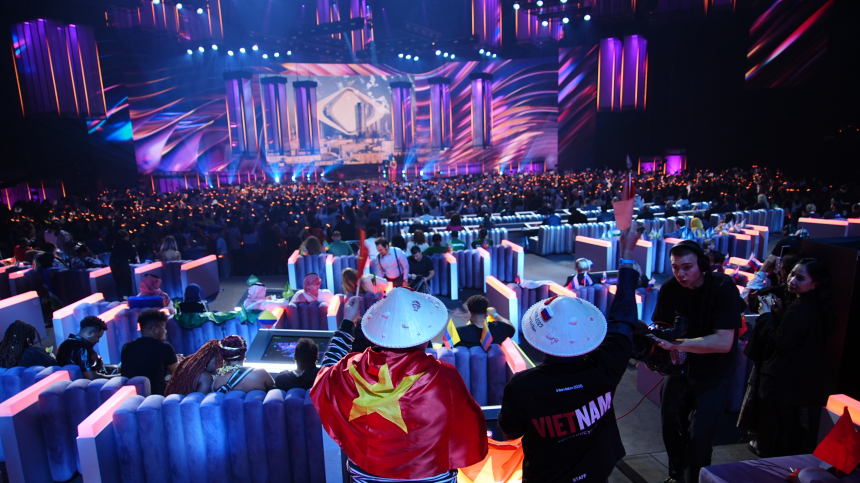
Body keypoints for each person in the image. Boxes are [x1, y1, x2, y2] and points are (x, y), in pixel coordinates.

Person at [497, 227, 643, 483]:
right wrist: (627, 255)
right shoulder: (607, 364)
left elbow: (508, 432)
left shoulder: (522, 386)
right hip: (599, 471)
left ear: (540, 341)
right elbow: (623, 320)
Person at [310, 290, 488, 482]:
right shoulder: (445, 376)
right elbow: (470, 426)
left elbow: (325, 373)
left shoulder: (350, 370)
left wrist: (347, 322)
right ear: (424, 335)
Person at [650, 240, 743, 483]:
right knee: (670, 427)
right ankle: (677, 476)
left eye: (687, 267)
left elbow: (724, 342)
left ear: (702, 264)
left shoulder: (722, 286)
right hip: (680, 370)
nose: (680, 274)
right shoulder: (670, 288)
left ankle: (695, 479)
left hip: (714, 372)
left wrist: (678, 345)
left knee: (699, 437)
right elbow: (661, 325)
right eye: (675, 267)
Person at [747, 259, 834, 457]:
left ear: (815, 284)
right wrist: (778, 313)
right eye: (792, 274)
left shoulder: (801, 309)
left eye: (800, 278)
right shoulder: (810, 305)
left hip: (782, 382)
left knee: (777, 433)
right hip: (793, 382)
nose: (792, 280)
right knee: (784, 429)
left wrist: (765, 315)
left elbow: (779, 341)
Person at [120, 308, 181, 395]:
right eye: (163, 327)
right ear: (154, 329)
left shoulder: (127, 347)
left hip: (131, 397)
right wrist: (179, 362)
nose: (165, 331)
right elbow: (178, 375)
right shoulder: (164, 347)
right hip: (157, 398)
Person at [57, 315, 110, 380]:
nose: (98, 340)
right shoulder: (84, 349)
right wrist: (116, 377)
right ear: (90, 333)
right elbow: (91, 377)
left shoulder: (64, 344)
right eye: (98, 337)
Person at [110, 229, 137, 300]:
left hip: (113, 264)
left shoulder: (115, 243)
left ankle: (120, 297)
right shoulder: (126, 242)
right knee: (125, 281)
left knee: (118, 281)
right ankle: (126, 298)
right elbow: (132, 252)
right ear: (126, 236)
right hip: (122, 264)